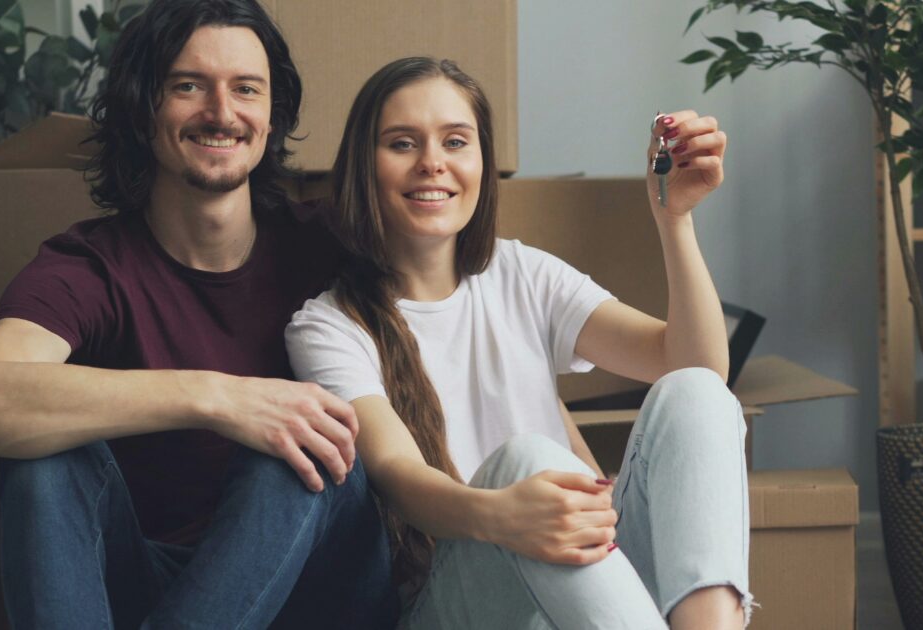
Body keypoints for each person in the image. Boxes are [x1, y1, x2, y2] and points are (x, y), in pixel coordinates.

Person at [0, 1, 399, 627]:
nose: (222, 112)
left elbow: (490, 300)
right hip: (141, 579)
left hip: (309, 591)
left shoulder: (334, 244)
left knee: (299, 441)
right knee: (46, 457)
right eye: (188, 86)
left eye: (246, 90)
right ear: (142, 108)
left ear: (271, 116)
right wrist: (217, 398)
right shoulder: (91, 266)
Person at [285, 57, 754, 629]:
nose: (433, 163)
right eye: (403, 143)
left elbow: (695, 364)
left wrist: (673, 218)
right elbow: (399, 476)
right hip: (457, 599)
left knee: (697, 394)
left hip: (596, 598)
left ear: (481, 162)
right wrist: (503, 514)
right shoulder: (328, 326)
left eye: (456, 141)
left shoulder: (521, 273)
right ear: (365, 164)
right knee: (526, 462)